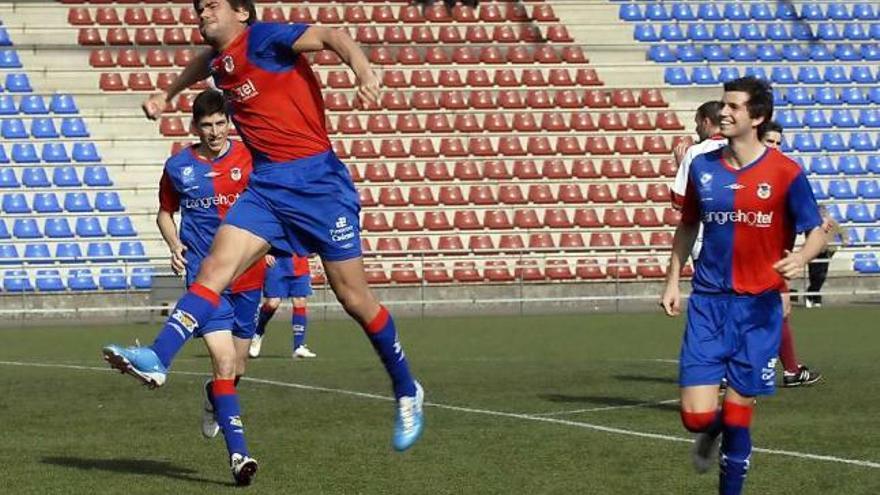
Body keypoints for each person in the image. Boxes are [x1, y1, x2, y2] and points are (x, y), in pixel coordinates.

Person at [102, 0, 424, 456]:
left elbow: (333, 35)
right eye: (198, 8)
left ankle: (407, 389)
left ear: (242, 13)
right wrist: (169, 94)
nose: (201, 12)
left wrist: (363, 70)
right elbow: (203, 63)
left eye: (212, 5)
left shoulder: (266, 38)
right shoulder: (220, 61)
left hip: (318, 185)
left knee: (354, 298)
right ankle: (159, 356)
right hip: (268, 185)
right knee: (216, 266)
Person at [660, 77, 827, 495]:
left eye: (733, 106)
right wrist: (672, 280)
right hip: (709, 305)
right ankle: (708, 433)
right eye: (723, 104)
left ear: (758, 117)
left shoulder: (785, 172)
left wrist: (802, 257)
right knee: (696, 418)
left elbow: (817, 231)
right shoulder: (703, 165)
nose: (724, 112)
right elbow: (687, 225)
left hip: (757, 309)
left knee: (739, 415)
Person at [105, 89, 262, 484]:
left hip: (249, 275)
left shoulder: (250, 158)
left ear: (229, 122)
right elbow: (164, 213)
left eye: (220, 123)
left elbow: (268, 205)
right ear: (195, 127)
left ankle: (214, 397)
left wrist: (269, 243)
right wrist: (175, 245)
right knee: (224, 362)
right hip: (206, 276)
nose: (214, 132)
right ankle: (239, 456)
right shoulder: (179, 166)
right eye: (206, 125)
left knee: (236, 368)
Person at [760, 121, 822, 387]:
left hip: (775, 260)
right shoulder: (743, 174)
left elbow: (807, 222)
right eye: (769, 141)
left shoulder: (787, 174)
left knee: (778, 313)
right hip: (750, 259)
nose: (775, 147)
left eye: (778, 143)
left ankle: (791, 370)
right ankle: (789, 371)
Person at [249, 253, 317, 359]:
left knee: (300, 300)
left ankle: (298, 346)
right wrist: (264, 253)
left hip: (299, 263)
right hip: (277, 264)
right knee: (272, 303)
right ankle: (258, 332)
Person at [805, 205, 847, 308]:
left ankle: (812, 295)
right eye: (820, 211)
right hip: (813, 251)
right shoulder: (813, 223)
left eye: (823, 211)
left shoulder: (831, 222)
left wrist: (844, 240)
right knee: (813, 274)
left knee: (822, 275)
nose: (822, 213)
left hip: (826, 251)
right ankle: (813, 297)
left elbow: (842, 230)